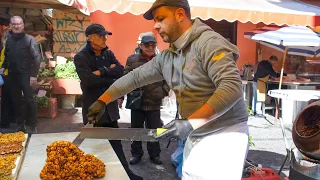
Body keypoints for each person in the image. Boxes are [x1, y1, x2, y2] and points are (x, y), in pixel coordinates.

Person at [87, 0, 249, 179]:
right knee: (189, 175)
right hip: (197, 130)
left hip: (225, 133)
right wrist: (104, 99)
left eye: (161, 19)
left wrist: (190, 123)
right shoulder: (168, 56)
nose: (155, 26)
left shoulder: (210, 43)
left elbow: (231, 87)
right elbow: (135, 77)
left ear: (180, 15)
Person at [73, 24, 143, 180]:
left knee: (116, 143)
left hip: (110, 109)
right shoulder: (81, 57)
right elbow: (88, 81)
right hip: (94, 109)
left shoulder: (108, 53)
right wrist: (108, 75)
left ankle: (125, 173)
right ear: (91, 37)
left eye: (106, 36)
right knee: (95, 147)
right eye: (102, 35)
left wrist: (102, 71)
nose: (105, 38)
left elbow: (119, 71)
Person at [124, 35, 168, 165]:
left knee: (154, 130)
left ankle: (154, 155)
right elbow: (126, 77)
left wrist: (163, 92)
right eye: (147, 45)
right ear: (141, 46)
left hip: (154, 101)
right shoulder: (132, 60)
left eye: (153, 45)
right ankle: (136, 154)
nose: (150, 48)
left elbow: (168, 79)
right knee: (136, 130)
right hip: (137, 101)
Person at [0, 16, 40, 133]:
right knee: (16, 100)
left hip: (26, 75)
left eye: (19, 24)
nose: (16, 26)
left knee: (29, 99)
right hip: (13, 75)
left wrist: (33, 75)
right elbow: (7, 56)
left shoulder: (30, 39)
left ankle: (32, 125)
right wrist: (3, 67)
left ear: (22, 25)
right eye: (14, 24)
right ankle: (20, 124)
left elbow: (37, 58)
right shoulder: (9, 40)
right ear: (10, 26)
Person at [0, 29, 15, 128]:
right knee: (10, 99)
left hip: (7, 76)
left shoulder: (7, 49)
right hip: (11, 76)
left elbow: (5, 62)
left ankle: (5, 122)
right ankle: (11, 119)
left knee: (6, 100)